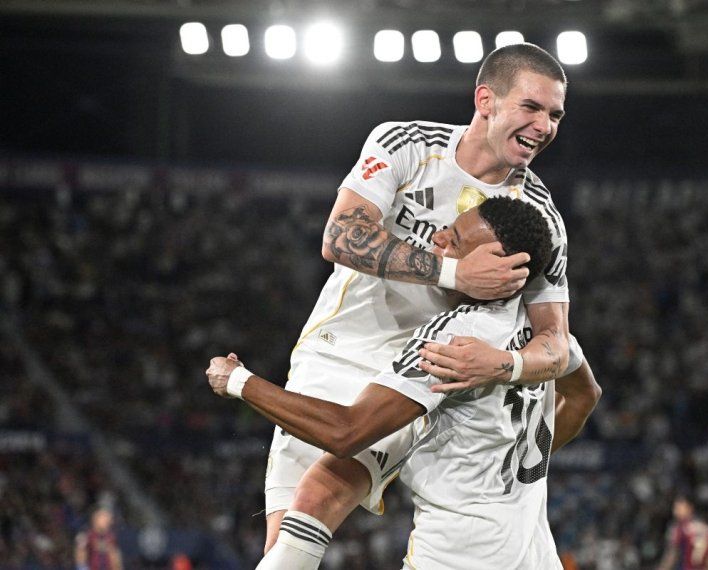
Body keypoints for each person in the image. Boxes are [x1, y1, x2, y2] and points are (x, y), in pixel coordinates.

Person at [258, 42, 576, 554]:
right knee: (284, 540)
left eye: (555, 114)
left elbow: (556, 345)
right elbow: (338, 237)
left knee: (321, 494)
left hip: (417, 379)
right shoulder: (405, 144)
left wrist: (505, 363)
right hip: (336, 350)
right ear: (486, 100)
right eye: (532, 107)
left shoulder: (537, 217)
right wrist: (455, 273)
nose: (545, 126)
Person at [208, 197, 601, 568]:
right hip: (536, 556)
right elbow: (585, 394)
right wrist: (524, 459)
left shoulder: (452, 339)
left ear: (498, 264)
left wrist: (239, 381)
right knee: (322, 487)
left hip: (456, 558)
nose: (437, 239)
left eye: (455, 240)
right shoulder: (544, 339)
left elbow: (346, 432)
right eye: (447, 228)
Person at [658, 497, 708, 570]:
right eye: (675, 508)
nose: (675, 512)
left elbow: (672, 554)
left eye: (679, 508)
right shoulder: (706, 528)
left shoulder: (680, 528)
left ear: (689, 508)